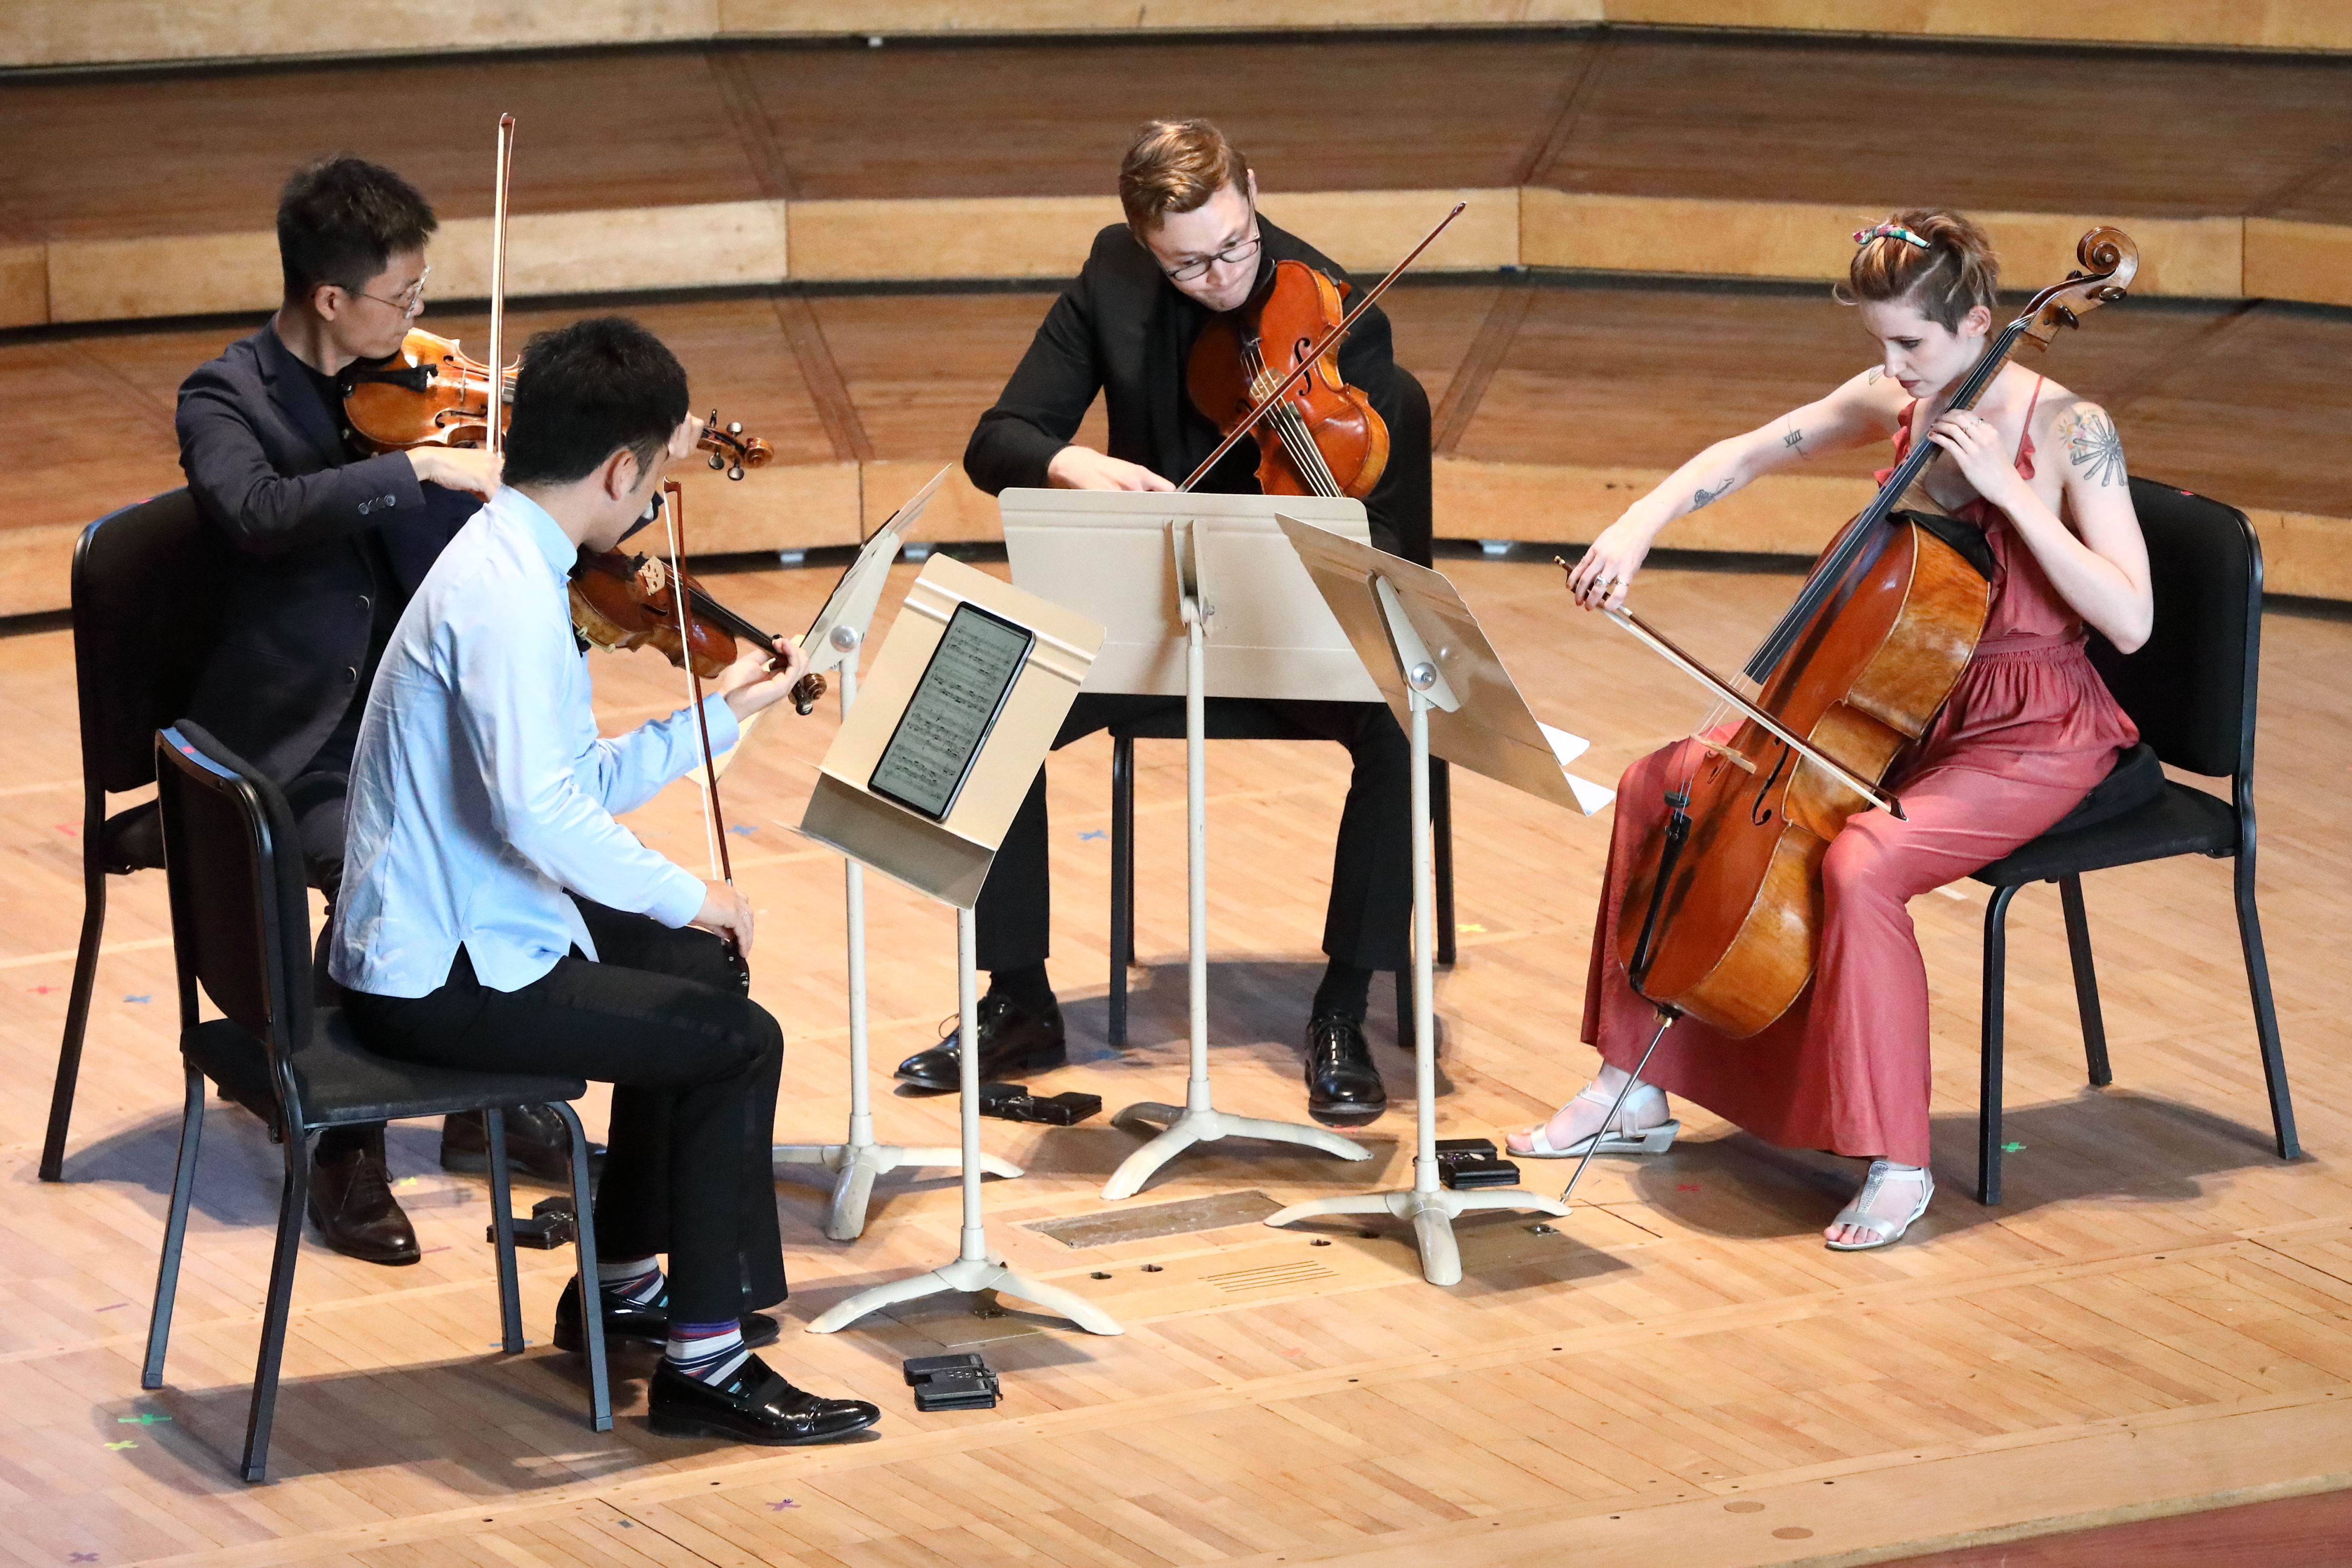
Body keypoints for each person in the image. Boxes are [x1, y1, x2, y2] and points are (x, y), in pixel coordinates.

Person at [1524, 210, 2151, 1250]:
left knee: (1862, 862)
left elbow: (2130, 618)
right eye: (1879, 343)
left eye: (1910, 342)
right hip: (1905, 706)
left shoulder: (2068, 427)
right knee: (1661, 785)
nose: (1893, 368)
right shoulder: (1897, 397)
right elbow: (1745, 452)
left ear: (1979, 323)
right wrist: (1636, 525)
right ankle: (1631, 1083)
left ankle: (1897, 1160)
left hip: (2030, 731)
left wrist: (2009, 495)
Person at [329, 315, 877, 1445]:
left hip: (473, 921)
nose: (654, 501)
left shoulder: (512, 557)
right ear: (621, 470)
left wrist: (725, 713)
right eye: (659, 474)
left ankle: (624, 1283)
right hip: (440, 973)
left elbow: (567, 779)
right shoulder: (504, 596)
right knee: (738, 1038)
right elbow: (542, 814)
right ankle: (706, 1366)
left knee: (699, 975)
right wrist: (693, 892)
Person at [932, 117, 1436, 1125]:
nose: (1221, 278)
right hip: (1154, 626)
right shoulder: (1113, 282)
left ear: (1254, 192)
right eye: (1189, 264)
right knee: (985, 694)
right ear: (1146, 243)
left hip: (1294, 630)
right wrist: (1072, 462)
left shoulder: (1340, 318)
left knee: (1408, 720)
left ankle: (1342, 1009)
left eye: (1236, 245)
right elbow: (997, 439)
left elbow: (1387, 544)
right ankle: (1019, 999)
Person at [152, 154, 582, 1267]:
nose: (418, 317)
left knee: (527, 835)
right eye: (403, 296)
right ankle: (346, 1139)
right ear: (331, 298)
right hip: (293, 747)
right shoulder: (227, 397)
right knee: (384, 869)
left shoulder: (418, 392)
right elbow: (256, 510)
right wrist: (420, 473)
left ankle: (482, 1097)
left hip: (416, 725)